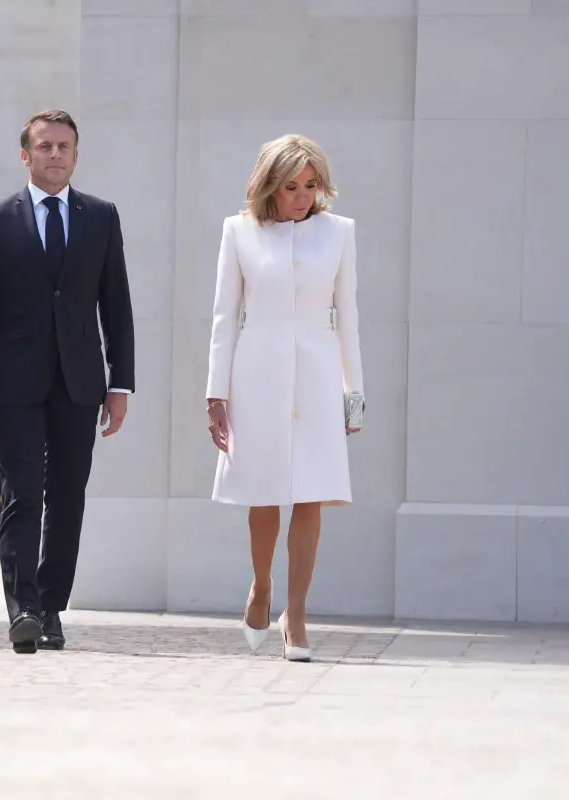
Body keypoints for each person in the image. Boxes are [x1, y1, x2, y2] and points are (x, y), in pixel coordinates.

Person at [0, 109, 135, 654]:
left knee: (67, 497)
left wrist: (120, 383)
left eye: (64, 146)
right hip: (14, 382)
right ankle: (23, 609)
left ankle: (52, 606)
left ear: (76, 155)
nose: (54, 154)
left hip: (81, 383)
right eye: (44, 146)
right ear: (25, 155)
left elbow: (117, 306)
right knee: (22, 495)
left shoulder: (100, 217)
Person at [205, 134, 363, 663]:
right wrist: (216, 393)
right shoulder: (239, 232)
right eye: (291, 185)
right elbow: (225, 318)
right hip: (257, 374)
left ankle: (296, 615)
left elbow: (349, 317)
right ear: (270, 186)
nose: (301, 195)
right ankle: (261, 587)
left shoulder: (339, 233)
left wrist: (353, 391)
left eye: (310, 185)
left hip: (318, 376)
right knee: (264, 494)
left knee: (312, 493)